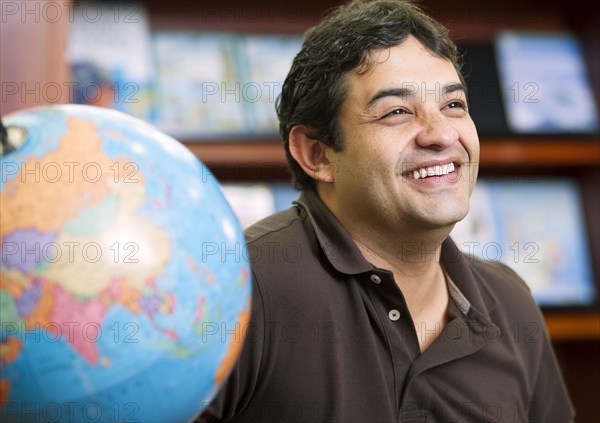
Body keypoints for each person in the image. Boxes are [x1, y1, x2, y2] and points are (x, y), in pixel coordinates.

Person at [197, 0, 574, 421]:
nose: (441, 134)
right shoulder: (237, 288)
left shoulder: (509, 300)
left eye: (453, 105)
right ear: (317, 154)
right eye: (397, 111)